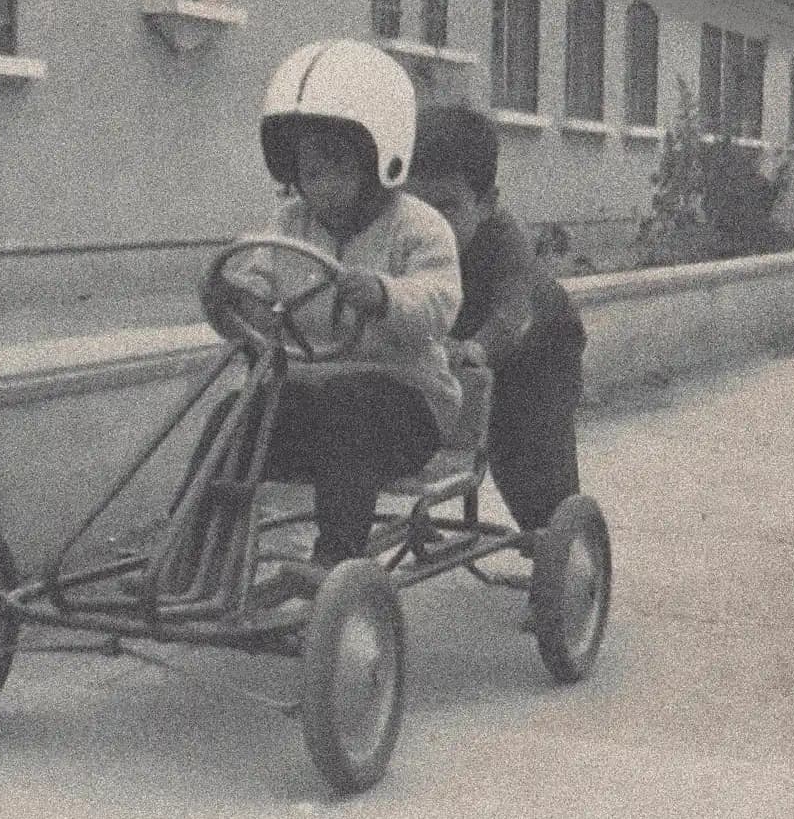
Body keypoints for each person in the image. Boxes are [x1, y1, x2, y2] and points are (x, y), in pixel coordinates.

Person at [197, 39, 463, 583]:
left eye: (335, 158)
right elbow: (248, 273)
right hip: (312, 396)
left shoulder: (418, 225)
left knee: (349, 405)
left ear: (377, 155)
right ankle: (195, 560)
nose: (316, 173)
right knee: (232, 417)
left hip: (408, 404)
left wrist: (386, 296)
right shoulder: (289, 224)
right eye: (307, 160)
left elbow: (440, 301)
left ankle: (336, 563)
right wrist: (238, 300)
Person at [407, 104, 587, 537]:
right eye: (416, 206)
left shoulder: (505, 242)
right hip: (464, 348)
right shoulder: (407, 236)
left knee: (527, 453)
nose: (430, 224)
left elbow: (513, 315)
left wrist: (478, 347)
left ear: (486, 202)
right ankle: (416, 511)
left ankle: (557, 541)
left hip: (540, 351)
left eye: (447, 207)